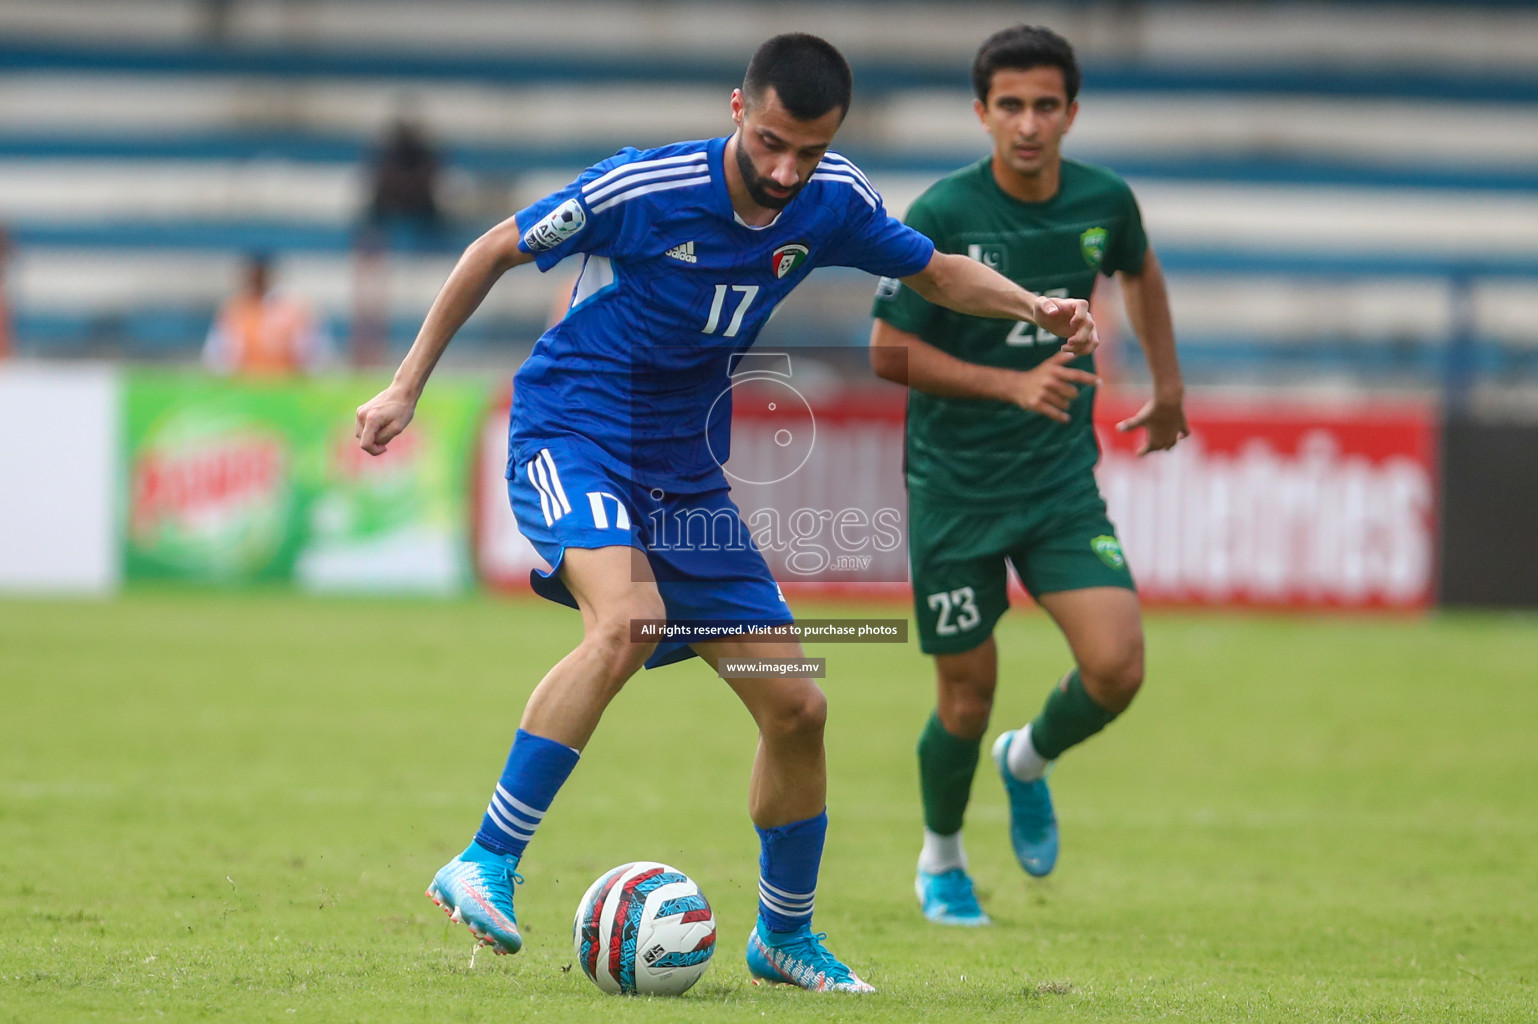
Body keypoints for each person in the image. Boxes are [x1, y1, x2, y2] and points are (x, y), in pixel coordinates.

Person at [354, 33, 1096, 991]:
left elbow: (935, 270)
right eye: (773, 142)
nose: (788, 171)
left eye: (811, 152)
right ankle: (486, 860)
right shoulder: (644, 189)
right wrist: (405, 386)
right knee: (628, 619)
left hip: (686, 471)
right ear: (737, 109)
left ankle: (784, 935)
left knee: (798, 708)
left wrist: (1032, 307)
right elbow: (494, 248)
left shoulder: (833, 202)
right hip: (574, 429)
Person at [868, 25, 1188, 926]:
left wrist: (1167, 385)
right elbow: (887, 353)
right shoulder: (941, 216)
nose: (1029, 123)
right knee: (965, 696)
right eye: (1010, 105)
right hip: (953, 493)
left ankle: (1028, 761)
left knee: (1118, 667)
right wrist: (1010, 382)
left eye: (1046, 104)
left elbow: (1141, 272)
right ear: (982, 113)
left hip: (1055, 487)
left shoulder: (1103, 200)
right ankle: (941, 861)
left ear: (1071, 112)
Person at [203, 253, 333, 376]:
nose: (257, 282)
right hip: (245, 382)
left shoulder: (294, 309)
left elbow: (314, 353)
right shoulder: (234, 310)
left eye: (260, 277)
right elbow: (217, 356)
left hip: (288, 382)